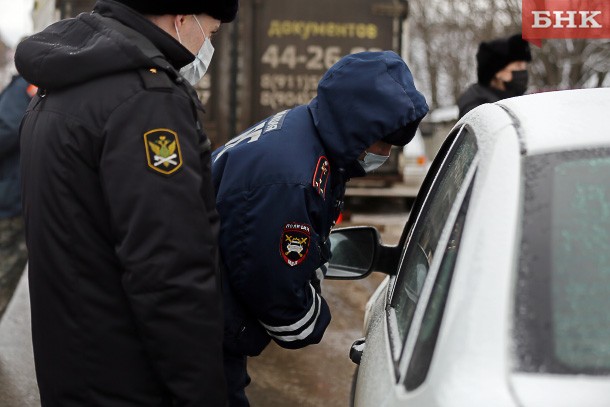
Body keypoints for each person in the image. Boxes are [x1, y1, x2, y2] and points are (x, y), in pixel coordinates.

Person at [15, 0, 238, 405]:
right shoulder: (147, 101)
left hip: (72, 366)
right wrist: (204, 393)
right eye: (213, 33)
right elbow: (169, 269)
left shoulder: (62, 83)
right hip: (130, 379)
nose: (209, 46)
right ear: (182, 17)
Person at [212, 50, 429, 406]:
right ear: (358, 123)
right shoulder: (293, 178)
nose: (386, 153)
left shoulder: (304, 134)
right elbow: (275, 288)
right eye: (383, 140)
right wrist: (313, 318)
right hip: (191, 327)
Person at [0, 74, 35, 318]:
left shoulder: (29, 83)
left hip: (12, 199)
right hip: (18, 199)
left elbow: (7, 127)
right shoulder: (32, 84)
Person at [457, 33, 532, 118]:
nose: (524, 70)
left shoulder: (518, 96)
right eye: (518, 66)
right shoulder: (475, 105)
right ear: (498, 72)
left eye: (524, 65)